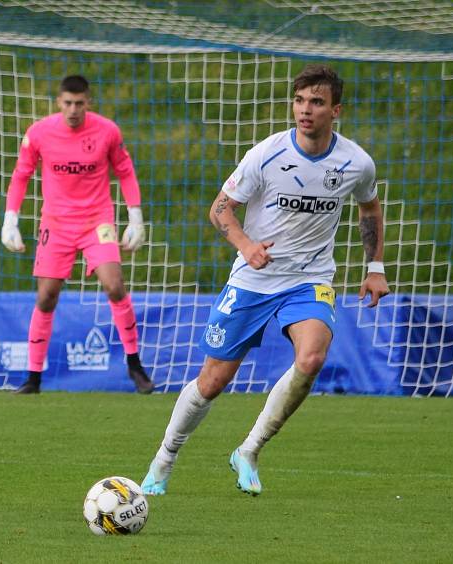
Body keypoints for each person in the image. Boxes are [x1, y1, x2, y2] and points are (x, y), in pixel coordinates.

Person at [141, 64, 390, 497]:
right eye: (299, 101)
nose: (305, 110)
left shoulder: (356, 162)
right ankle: (164, 459)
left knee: (312, 358)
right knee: (212, 382)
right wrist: (245, 245)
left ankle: (249, 450)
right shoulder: (267, 154)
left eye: (316, 102)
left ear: (336, 110)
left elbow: (369, 209)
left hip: (310, 279)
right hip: (253, 281)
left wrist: (375, 267)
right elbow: (221, 208)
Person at [1, 75, 153, 395]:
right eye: (67, 103)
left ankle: (135, 364)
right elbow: (21, 175)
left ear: (88, 103)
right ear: (59, 102)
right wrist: (10, 220)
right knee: (46, 296)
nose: (73, 110)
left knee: (114, 286)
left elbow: (125, 172)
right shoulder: (39, 132)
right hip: (55, 224)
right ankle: (33, 377)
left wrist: (135, 218)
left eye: (79, 103)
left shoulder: (107, 131)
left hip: (97, 221)